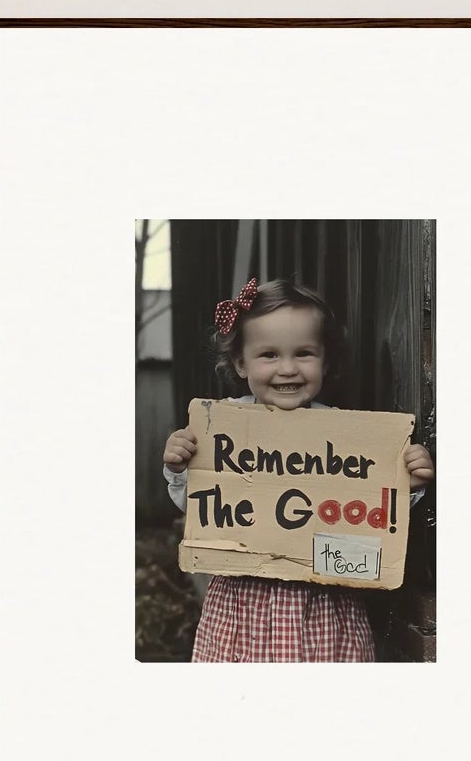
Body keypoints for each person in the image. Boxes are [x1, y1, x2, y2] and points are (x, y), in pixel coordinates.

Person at [163, 276, 435, 662]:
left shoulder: (346, 436)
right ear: (241, 363)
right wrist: (180, 466)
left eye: (304, 353)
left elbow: (370, 516)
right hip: (244, 604)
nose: (287, 368)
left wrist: (409, 481)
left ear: (325, 359)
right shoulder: (221, 427)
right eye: (269, 355)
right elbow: (199, 508)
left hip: (323, 602)